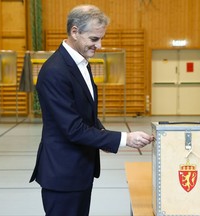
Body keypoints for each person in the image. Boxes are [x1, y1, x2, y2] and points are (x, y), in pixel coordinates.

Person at [29, 4, 154, 216]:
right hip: (63, 175)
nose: (100, 45)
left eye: (101, 38)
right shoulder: (55, 71)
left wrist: (103, 136)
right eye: (94, 39)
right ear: (74, 32)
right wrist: (124, 139)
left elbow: (86, 114)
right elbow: (73, 128)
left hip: (80, 171)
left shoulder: (82, 64)